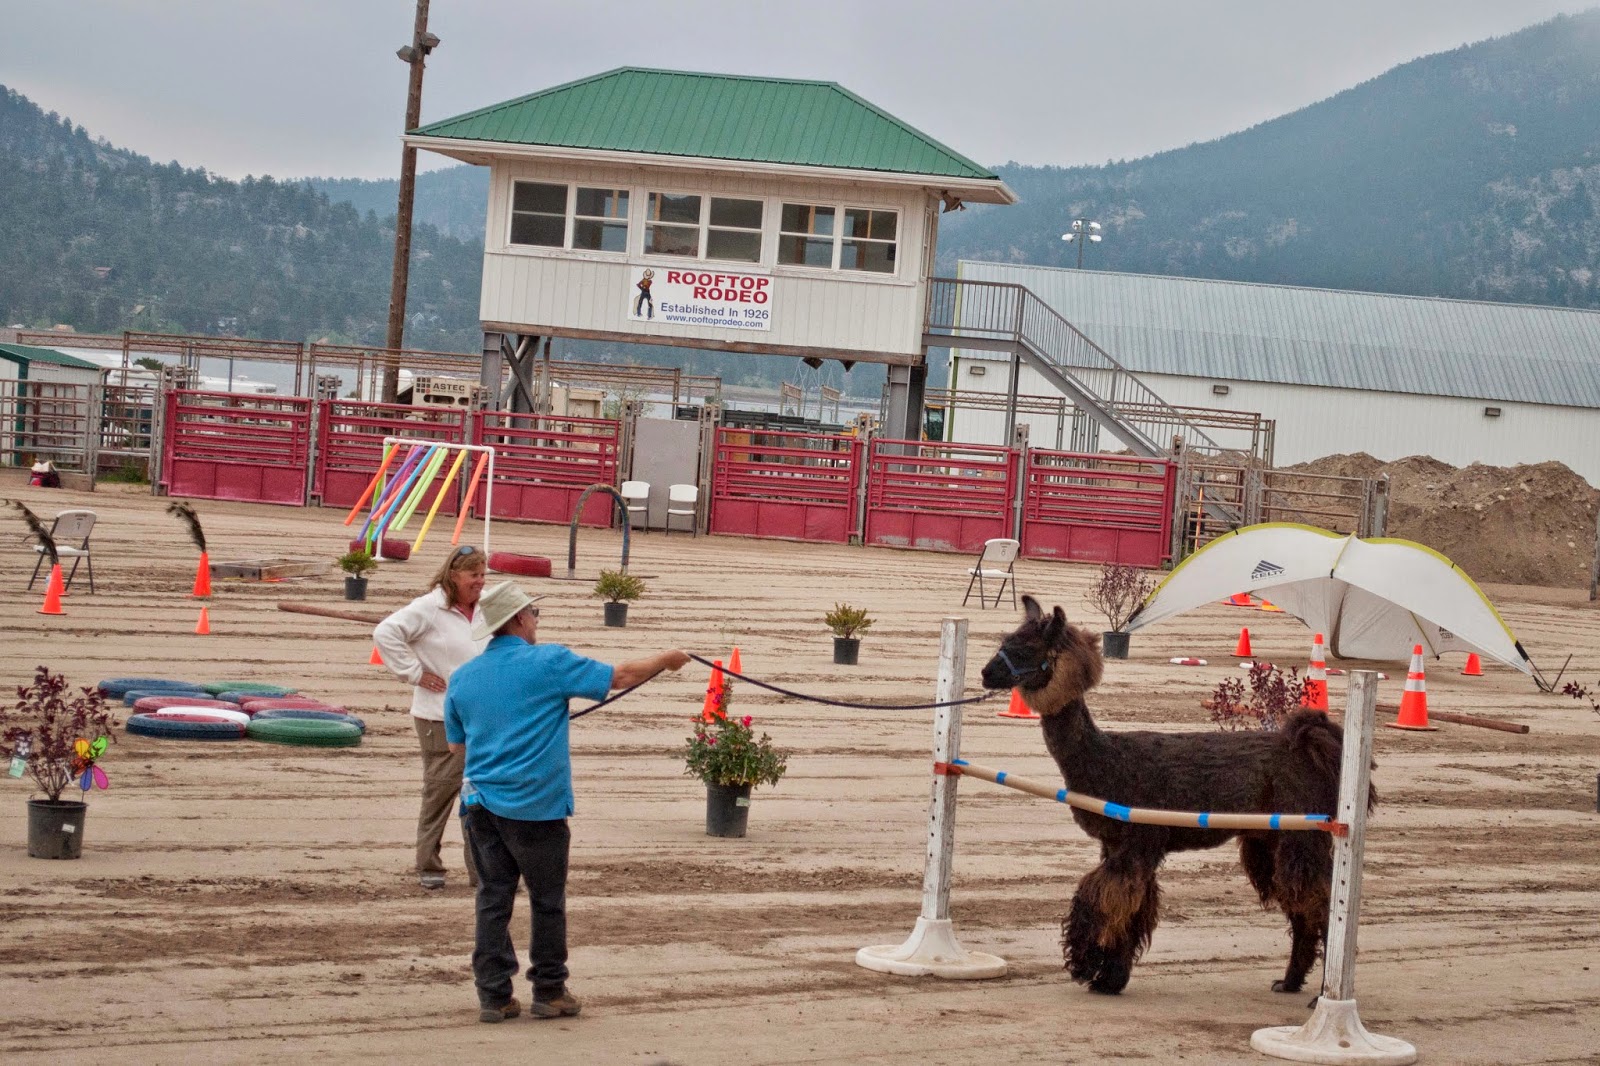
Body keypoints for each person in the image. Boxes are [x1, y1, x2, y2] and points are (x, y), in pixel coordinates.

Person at [445, 581, 689, 1023]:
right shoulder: (549, 661)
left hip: (480, 804)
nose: (537, 621)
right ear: (519, 619)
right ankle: (550, 990)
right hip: (537, 805)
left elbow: (456, 748)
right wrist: (666, 661)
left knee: (493, 899)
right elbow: (619, 677)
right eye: (534, 614)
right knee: (547, 899)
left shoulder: (463, 677)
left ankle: (494, 995)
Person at [374, 544, 488, 890]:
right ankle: (430, 865)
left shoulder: (485, 606)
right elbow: (385, 633)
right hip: (437, 717)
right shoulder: (428, 608)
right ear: (454, 576)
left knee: (481, 795)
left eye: (484, 574)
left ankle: (482, 871)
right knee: (440, 792)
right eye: (474, 575)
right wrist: (414, 672)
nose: (481, 582)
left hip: (482, 717)